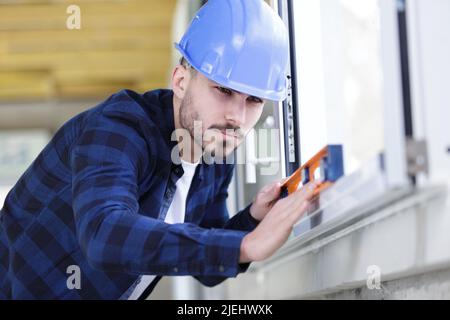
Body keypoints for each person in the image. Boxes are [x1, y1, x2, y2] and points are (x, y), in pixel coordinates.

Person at [0, 0, 317, 299]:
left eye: (254, 100)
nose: (237, 117)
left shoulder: (215, 152)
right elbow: (104, 234)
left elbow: (209, 260)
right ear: (180, 81)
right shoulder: (118, 130)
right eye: (223, 90)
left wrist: (253, 218)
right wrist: (244, 246)